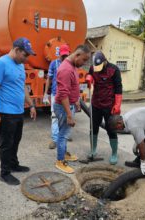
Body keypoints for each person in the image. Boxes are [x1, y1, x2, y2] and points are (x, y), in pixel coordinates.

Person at [0, 37, 37, 186]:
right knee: (7, 143)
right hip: (6, 112)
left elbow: (22, 86)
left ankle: (14, 164)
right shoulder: (1, 64)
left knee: (16, 140)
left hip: (18, 111)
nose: (26, 58)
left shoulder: (20, 65)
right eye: (25, 55)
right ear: (16, 50)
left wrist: (32, 105)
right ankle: (4, 173)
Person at [54, 45, 91, 174]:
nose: (84, 63)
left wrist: (76, 101)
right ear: (77, 55)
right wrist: (69, 115)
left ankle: (64, 154)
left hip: (69, 105)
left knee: (64, 133)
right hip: (64, 107)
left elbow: (71, 88)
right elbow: (63, 94)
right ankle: (60, 160)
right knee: (63, 135)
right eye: (84, 60)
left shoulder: (72, 66)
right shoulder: (65, 69)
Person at [84, 51, 122, 165]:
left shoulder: (114, 70)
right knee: (93, 128)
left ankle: (114, 153)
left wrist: (117, 104)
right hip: (96, 104)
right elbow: (88, 75)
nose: (97, 69)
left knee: (111, 130)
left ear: (105, 61)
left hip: (109, 105)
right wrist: (89, 77)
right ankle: (93, 150)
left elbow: (119, 88)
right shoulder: (93, 68)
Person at [43, 44, 72, 149]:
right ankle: (55, 139)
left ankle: (65, 135)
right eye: (63, 55)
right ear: (59, 54)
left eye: (66, 55)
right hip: (56, 94)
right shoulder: (53, 64)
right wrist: (46, 94)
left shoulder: (71, 64)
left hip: (68, 95)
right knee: (55, 117)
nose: (64, 57)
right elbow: (49, 79)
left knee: (67, 115)